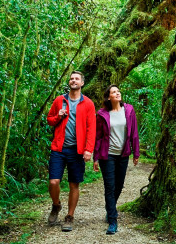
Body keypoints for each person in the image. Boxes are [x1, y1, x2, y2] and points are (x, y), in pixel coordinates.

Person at [46, 70, 96, 232]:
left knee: (74, 184)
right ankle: (56, 205)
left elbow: (91, 128)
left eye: (77, 79)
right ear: (69, 82)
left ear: (82, 83)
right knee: (54, 181)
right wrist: (58, 116)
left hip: (77, 151)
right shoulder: (59, 100)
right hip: (59, 149)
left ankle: (69, 216)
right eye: (71, 78)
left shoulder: (87, 103)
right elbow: (50, 120)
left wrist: (88, 149)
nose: (73, 81)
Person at [93, 84, 140, 235]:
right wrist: (95, 157)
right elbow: (98, 137)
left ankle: (110, 209)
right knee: (110, 187)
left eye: (118, 91)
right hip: (107, 155)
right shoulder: (102, 114)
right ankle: (113, 220)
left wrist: (136, 153)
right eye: (114, 92)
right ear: (109, 97)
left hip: (123, 154)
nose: (118, 93)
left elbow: (134, 133)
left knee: (119, 185)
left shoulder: (129, 110)